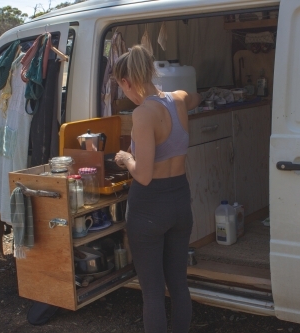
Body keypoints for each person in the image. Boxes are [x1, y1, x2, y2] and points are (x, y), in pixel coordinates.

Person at [113, 45, 201, 333]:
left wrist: (127, 158)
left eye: (121, 88)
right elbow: (195, 97)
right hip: (180, 203)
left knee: (152, 291)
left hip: (150, 208)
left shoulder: (143, 114)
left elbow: (145, 175)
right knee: (178, 283)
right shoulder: (179, 98)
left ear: (127, 82)